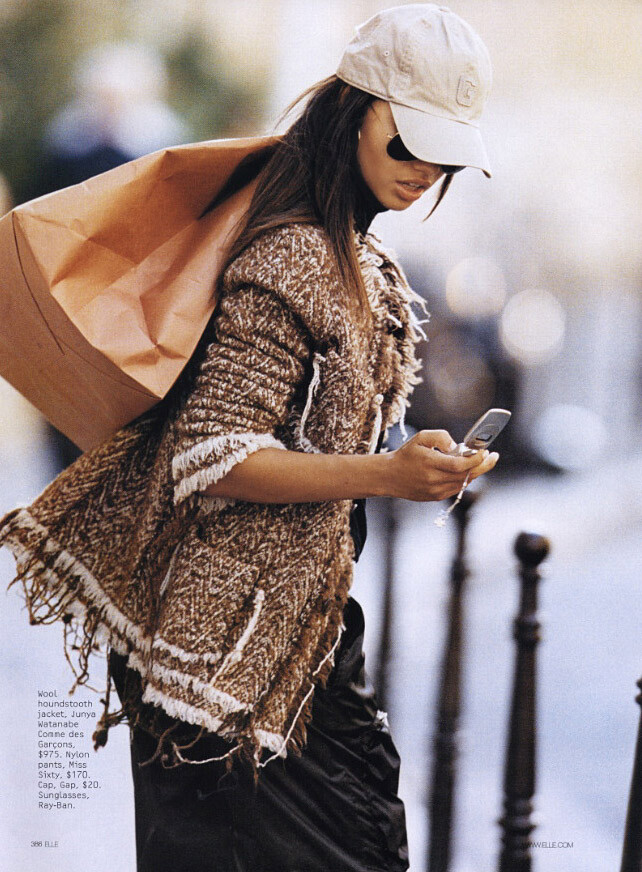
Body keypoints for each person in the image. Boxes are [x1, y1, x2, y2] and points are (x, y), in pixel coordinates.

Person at [0, 5, 497, 871]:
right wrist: (386, 473)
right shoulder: (296, 255)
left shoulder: (356, 257)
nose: (427, 169)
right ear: (354, 108)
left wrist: (410, 457)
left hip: (289, 642)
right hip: (223, 663)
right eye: (411, 140)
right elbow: (214, 454)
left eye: (447, 153)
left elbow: (309, 425)